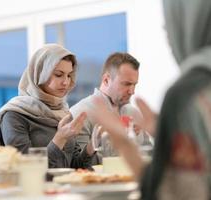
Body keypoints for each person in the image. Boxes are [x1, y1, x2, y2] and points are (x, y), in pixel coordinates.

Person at [89, 0, 211, 199]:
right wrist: (165, 136)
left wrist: (123, 143)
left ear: (188, 24)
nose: (170, 39)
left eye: (168, 28)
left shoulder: (188, 93)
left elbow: (177, 194)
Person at [0, 44, 95, 169]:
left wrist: (92, 146)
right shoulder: (15, 115)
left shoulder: (62, 112)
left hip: (63, 188)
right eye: (58, 74)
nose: (66, 82)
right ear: (40, 73)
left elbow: (74, 166)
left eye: (68, 75)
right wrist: (59, 139)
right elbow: (26, 169)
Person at [70, 52, 152, 163]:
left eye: (134, 85)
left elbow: (150, 157)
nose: (132, 91)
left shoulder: (134, 113)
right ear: (106, 80)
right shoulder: (80, 114)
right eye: (126, 84)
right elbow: (80, 166)